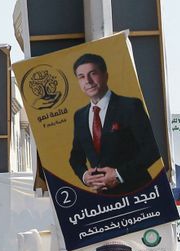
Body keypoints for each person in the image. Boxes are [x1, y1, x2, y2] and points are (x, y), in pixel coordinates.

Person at [68, 53, 162, 194]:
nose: (87, 80)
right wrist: (85, 177)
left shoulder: (130, 106)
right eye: (81, 77)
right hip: (104, 200)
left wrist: (118, 175)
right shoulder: (79, 116)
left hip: (138, 193)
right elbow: (76, 157)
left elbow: (152, 150)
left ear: (105, 76)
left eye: (93, 73)